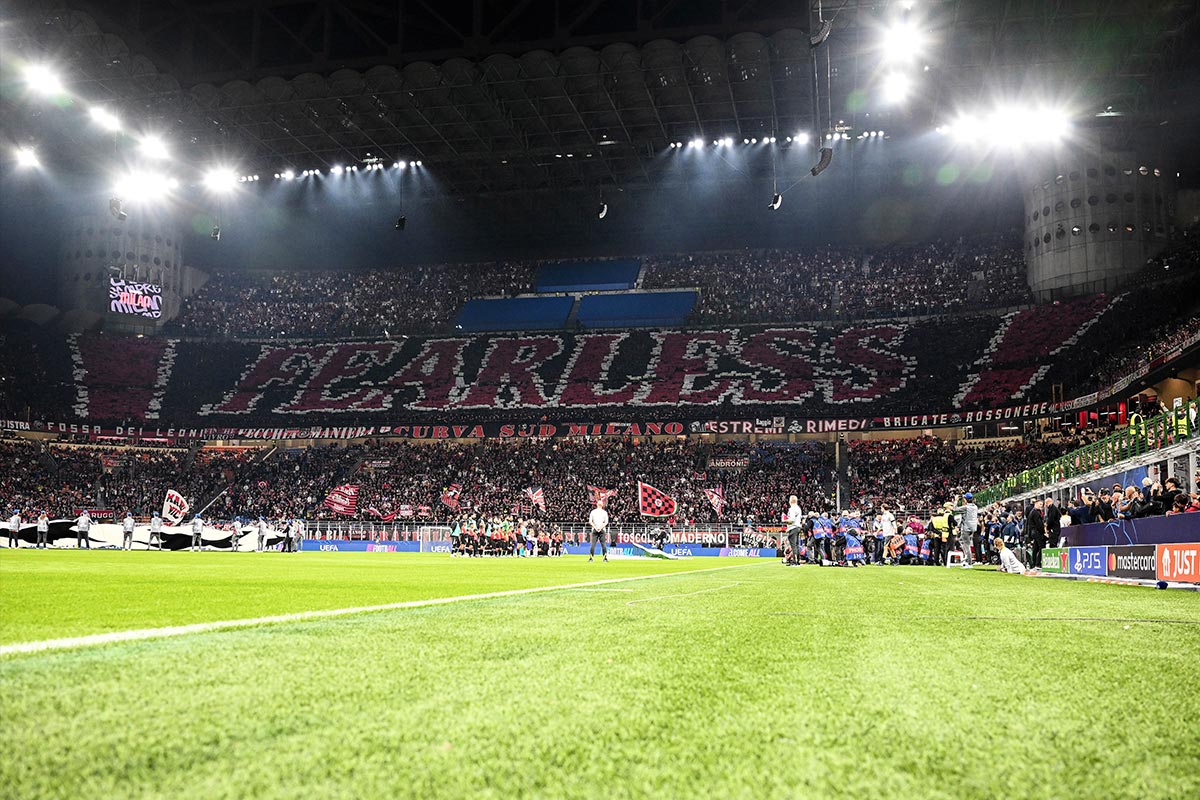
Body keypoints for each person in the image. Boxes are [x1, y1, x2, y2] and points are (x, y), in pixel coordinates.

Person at [951, 493, 979, 568]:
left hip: (966, 528)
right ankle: (967, 559)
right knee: (965, 543)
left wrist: (956, 501)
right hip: (973, 528)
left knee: (966, 545)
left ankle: (969, 563)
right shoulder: (975, 507)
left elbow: (955, 509)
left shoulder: (966, 507)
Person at [784, 494, 803, 566]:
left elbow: (792, 519)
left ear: (790, 501)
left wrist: (785, 520)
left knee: (793, 545)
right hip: (797, 526)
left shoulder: (792, 508)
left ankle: (795, 561)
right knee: (797, 545)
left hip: (793, 527)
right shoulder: (798, 508)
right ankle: (797, 560)